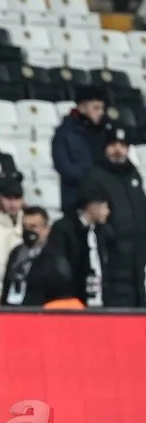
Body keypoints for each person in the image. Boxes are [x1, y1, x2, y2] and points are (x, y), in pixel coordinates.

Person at [84, 126, 146, 307]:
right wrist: (112, 238)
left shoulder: (133, 175)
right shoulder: (95, 176)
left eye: (123, 145)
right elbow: (95, 219)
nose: (118, 150)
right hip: (113, 262)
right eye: (113, 144)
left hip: (138, 261)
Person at [47, 185, 111, 307]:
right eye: (104, 206)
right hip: (72, 299)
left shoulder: (101, 230)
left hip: (98, 296)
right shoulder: (63, 228)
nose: (107, 211)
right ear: (92, 206)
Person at [0, 207, 71, 307]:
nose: (28, 231)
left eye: (33, 227)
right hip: (13, 310)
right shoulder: (16, 252)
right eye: (25, 226)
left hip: (40, 313)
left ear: (46, 229)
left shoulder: (56, 256)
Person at [52, 86, 107, 212]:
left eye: (102, 108)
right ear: (82, 107)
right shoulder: (64, 133)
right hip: (75, 200)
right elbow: (64, 167)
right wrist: (92, 180)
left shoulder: (102, 132)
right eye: (96, 108)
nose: (101, 113)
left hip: (101, 199)